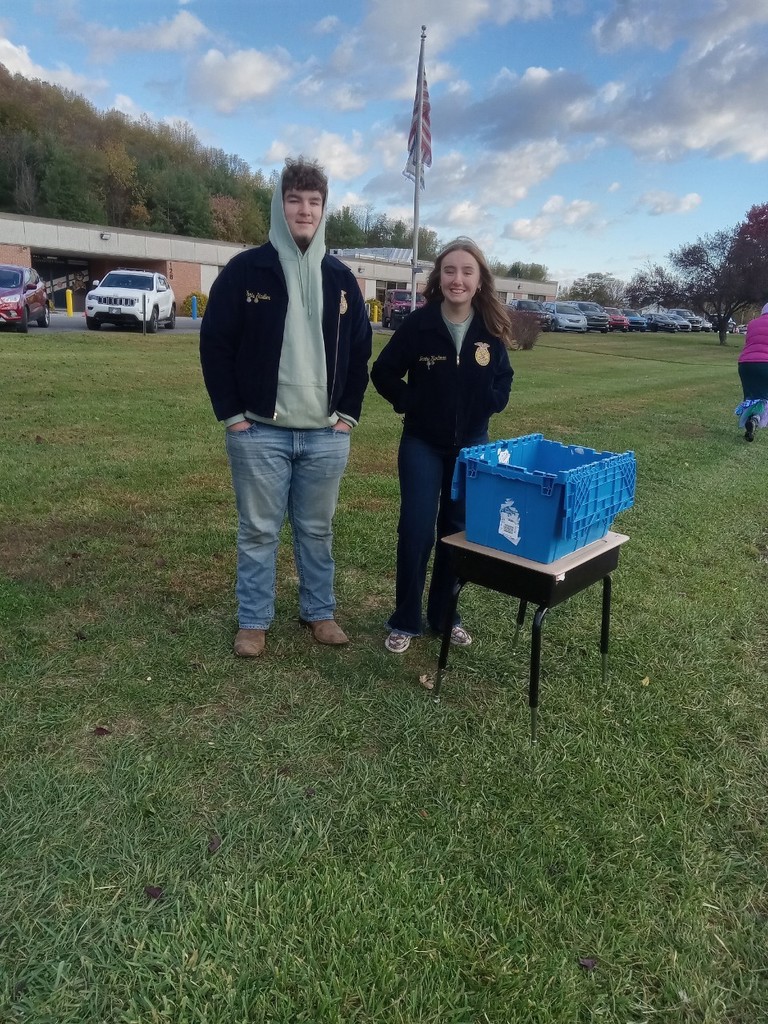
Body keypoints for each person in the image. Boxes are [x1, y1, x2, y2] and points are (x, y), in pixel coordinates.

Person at [200, 157, 372, 657]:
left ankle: (319, 613)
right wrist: (233, 416)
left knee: (317, 531)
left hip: (324, 434)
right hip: (259, 432)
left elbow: (361, 351)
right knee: (258, 532)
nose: (304, 210)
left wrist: (346, 416)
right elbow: (215, 344)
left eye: (313, 202)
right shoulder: (244, 271)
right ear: (280, 205)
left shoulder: (341, 279)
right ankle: (253, 623)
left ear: (323, 210)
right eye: (294, 200)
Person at [370, 238, 514, 653]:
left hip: (472, 449)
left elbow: (504, 378)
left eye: (467, 271)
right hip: (421, 444)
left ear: (479, 279)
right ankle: (406, 620)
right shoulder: (419, 325)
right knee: (416, 531)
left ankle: (445, 615)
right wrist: (411, 402)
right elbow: (383, 373)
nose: (458, 279)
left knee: (456, 533)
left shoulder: (489, 329)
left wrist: (491, 403)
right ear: (439, 277)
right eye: (450, 270)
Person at [735, 302, 768, 442]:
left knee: (752, 397)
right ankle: (756, 419)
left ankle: (752, 421)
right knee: (765, 397)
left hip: (745, 364)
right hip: (765, 363)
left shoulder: (752, 323)